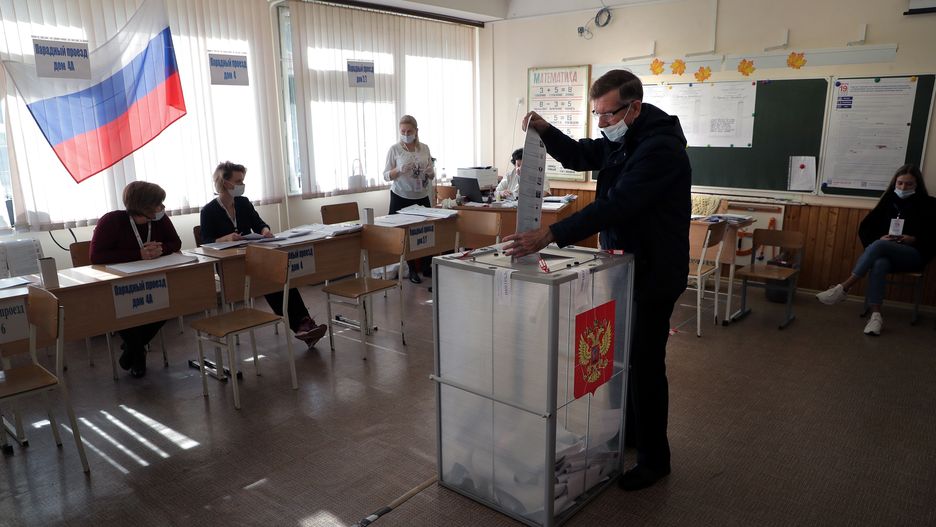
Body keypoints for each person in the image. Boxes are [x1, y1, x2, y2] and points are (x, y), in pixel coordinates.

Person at [503, 69, 690, 491]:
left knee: (645, 364)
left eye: (607, 115)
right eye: (597, 115)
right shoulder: (623, 138)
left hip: (655, 272)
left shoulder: (659, 148)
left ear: (634, 107)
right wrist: (546, 130)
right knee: (621, 358)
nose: (601, 123)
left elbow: (617, 204)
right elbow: (580, 155)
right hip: (623, 267)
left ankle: (654, 459)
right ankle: (628, 434)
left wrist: (550, 234)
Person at [200, 161, 328, 348]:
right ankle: (303, 325)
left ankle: (304, 324)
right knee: (270, 279)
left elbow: (259, 223)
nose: (242, 185)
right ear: (225, 182)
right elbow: (205, 241)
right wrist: (226, 238)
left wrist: (265, 230)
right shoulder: (208, 211)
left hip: (253, 258)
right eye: (238, 181)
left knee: (279, 275)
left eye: (243, 180)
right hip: (229, 264)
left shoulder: (243, 203)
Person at [816, 164, 936, 335]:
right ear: (895, 183)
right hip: (888, 254)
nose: (903, 187)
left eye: (909, 184)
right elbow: (865, 227)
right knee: (879, 262)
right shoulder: (888, 201)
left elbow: (933, 235)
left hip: (914, 255)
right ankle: (875, 317)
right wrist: (880, 238)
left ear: (917, 185)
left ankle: (843, 288)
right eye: (900, 183)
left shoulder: (929, 204)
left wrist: (913, 239)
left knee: (879, 247)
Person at [90, 181, 182, 378]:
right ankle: (138, 353)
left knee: (167, 303)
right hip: (120, 282)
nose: (162, 208)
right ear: (145, 207)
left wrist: (160, 249)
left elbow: (175, 242)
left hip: (154, 278)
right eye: (159, 204)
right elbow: (96, 257)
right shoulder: (111, 221)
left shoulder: (160, 219)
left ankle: (133, 347)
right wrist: (137, 254)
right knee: (125, 308)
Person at [383, 115, 435, 284]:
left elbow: (432, 172)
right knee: (404, 234)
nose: (406, 134)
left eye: (409, 131)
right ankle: (411, 269)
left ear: (416, 131)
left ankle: (427, 267)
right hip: (401, 196)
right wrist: (398, 169)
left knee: (426, 230)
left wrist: (430, 172)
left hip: (421, 195)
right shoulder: (395, 149)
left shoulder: (424, 148)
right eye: (403, 131)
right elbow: (385, 176)